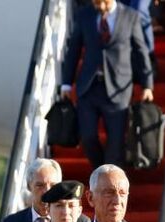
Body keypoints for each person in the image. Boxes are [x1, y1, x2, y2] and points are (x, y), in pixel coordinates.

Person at [61, 0, 154, 168]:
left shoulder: (130, 16)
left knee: (116, 144)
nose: (100, 7)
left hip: (118, 89)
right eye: (96, 3)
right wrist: (66, 83)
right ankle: (100, 174)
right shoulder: (85, 14)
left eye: (102, 2)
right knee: (88, 137)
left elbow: (141, 51)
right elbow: (74, 49)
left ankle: (110, 181)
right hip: (89, 87)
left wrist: (147, 84)